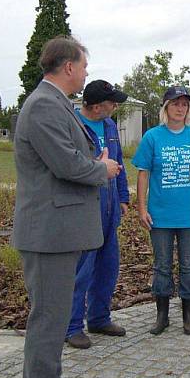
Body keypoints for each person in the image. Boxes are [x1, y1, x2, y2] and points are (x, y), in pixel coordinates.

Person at [12, 36, 122, 378]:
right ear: (69, 67)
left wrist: (93, 163)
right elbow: (66, 163)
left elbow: (69, 156)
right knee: (48, 318)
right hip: (48, 233)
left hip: (58, 230)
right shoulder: (44, 105)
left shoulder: (55, 103)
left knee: (55, 317)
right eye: (84, 66)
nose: (87, 73)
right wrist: (102, 170)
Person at [132, 86, 190, 335]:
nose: (180, 108)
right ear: (165, 108)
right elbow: (143, 173)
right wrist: (142, 208)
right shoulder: (152, 137)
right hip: (160, 215)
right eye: (175, 104)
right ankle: (162, 315)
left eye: (184, 104)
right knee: (162, 265)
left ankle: (188, 314)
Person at [65, 80, 130, 349]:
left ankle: (99, 317)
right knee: (82, 269)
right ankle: (71, 327)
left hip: (110, 205)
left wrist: (124, 196)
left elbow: (119, 162)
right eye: (111, 102)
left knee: (107, 265)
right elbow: (70, 166)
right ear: (94, 106)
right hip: (85, 206)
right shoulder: (73, 125)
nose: (115, 106)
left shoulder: (110, 126)